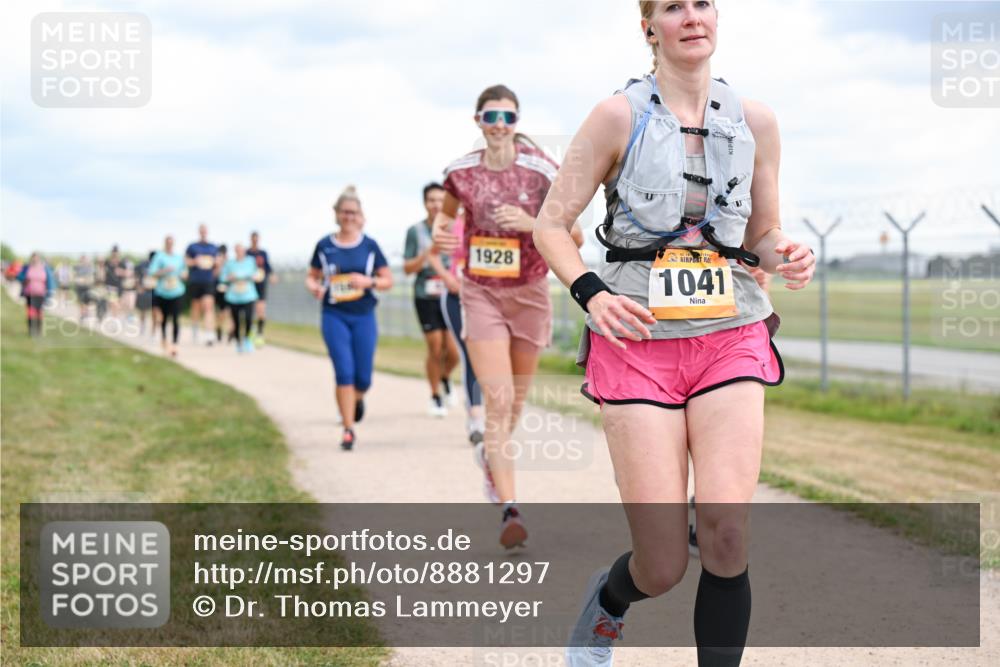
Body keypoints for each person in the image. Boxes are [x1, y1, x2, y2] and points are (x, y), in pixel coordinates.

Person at [531, 3, 816, 665]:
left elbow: (761, 234)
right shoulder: (616, 117)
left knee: (725, 532)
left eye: (702, 3)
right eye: (672, 6)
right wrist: (591, 292)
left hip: (730, 334)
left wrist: (785, 253)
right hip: (637, 340)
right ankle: (609, 602)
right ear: (649, 28)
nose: (691, 16)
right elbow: (551, 225)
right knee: (661, 564)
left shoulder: (756, 121)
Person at [432, 84, 584, 549]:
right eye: (491, 116)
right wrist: (442, 235)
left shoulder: (541, 171)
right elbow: (445, 220)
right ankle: (510, 509)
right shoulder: (459, 172)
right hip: (480, 294)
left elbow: (575, 234)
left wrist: (531, 223)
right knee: (497, 403)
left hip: (530, 294)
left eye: (508, 117)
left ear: (517, 122)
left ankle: (490, 462)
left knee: (514, 404)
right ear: (478, 120)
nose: (499, 125)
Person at [305, 186, 393, 451]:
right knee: (344, 371)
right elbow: (312, 276)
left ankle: (355, 399)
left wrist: (369, 282)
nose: (349, 216)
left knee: (363, 378)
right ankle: (348, 429)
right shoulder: (324, 246)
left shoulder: (369, 246)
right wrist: (314, 286)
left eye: (353, 212)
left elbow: (387, 280)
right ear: (336, 213)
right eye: (344, 212)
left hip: (363, 314)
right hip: (334, 314)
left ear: (360, 215)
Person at [427, 209, 486, 445]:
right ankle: (476, 417)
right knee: (470, 353)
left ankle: (487, 408)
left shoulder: (495, 221)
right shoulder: (453, 224)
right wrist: (447, 277)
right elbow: (432, 254)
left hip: (489, 298)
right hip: (456, 298)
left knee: (492, 355)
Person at [404, 183, 461, 418]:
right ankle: (435, 395)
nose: (436, 204)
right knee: (435, 347)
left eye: (440, 200)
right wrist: (427, 254)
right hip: (425, 295)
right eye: (431, 200)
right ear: (424, 203)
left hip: (453, 294)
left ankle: (445, 377)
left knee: (454, 351)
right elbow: (407, 268)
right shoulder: (415, 231)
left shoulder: (457, 227)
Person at [149, 235, 187, 357]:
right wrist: (164, 271)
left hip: (177, 291)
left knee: (176, 318)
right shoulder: (159, 256)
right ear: (165, 243)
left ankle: (175, 344)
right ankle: (164, 340)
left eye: (171, 243)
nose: (170, 245)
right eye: (168, 243)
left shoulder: (179, 258)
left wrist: (184, 275)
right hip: (162, 292)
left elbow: (184, 272)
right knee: (164, 318)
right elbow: (152, 272)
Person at [220, 243, 260, 353]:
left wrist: (252, 276)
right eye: (237, 250)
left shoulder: (250, 261)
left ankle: (248, 340)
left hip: (248, 295)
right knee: (236, 321)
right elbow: (223, 277)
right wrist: (229, 278)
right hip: (234, 296)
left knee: (248, 319)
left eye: (241, 250)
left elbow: (256, 274)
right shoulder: (230, 263)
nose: (239, 252)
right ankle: (238, 342)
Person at [185, 223, 219, 345]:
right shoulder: (192, 246)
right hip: (195, 280)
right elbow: (186, 261)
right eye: (202, 230)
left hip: (208, 281)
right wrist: (194, 261)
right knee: (196, 307)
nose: (203, 232)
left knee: (208, 306)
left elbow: (218, 263)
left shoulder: (213, 247)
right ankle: (195, 329)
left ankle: (209, 333)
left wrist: (214, 271)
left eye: (205, 230)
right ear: (199, 232)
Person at [247, 231, 276, 346]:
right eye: (253, 239)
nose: (255, 241)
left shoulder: (263, 253)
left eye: (257, 239)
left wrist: (272, 275)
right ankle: (250, 330)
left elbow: (267, 266)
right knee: (249, 310)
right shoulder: (247, 253)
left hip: (261, 284)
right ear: (251, 239)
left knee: (261, 309)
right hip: (249, 285)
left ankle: (260, 333)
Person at [16, 253, 55, 336]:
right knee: (30, 312)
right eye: (34, 258)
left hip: (41, 294)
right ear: (31, 259)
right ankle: (31, 330)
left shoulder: (44, 268)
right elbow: (18, 276)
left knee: (39, 312)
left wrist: (50, 293)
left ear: (39, 259)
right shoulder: (27, 267)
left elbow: (50, 281)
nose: (35, 259)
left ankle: (38, 330)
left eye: (37, 258)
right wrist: (25, 278)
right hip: (29, 293)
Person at [213, 245, 233, 344]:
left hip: (229, 288)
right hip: (220, 289)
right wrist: (219, 265)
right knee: (221, 312)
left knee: (230, 312)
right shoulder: (217, 263)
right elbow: (214, 275)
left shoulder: (230, 263)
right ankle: (219, 328)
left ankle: (230, 331)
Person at [135, 251, 156, 336]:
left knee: (154, 311)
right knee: (143, 311)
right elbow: (136, 275)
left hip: (154, 291)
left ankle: (153, 332)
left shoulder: (158, 265)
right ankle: (142, 327)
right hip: (144, 291)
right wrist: (138, 287)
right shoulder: (143, 265)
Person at [103, 246, 127, 319]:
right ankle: (114, 318)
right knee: (113, 302)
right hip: (110, 285)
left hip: (119, 285)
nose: (115, 254)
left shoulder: (122, 263)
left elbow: (126, 273)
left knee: (118, 303)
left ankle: (115, 317)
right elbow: (104, 272)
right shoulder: (107, 262)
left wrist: (121, 272)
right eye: (114, 252)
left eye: (116, 252)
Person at [72, 255, 96, 322]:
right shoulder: (77, 267)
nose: (83, 261)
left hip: (87, 286)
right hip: (79, 286)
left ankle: (86, 313)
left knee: (87, 301)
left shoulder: (89, 267)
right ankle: (82, 314)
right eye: (82, 259)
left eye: (85, 259)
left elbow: (92, 275)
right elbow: (74, 274)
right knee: (81, 301)